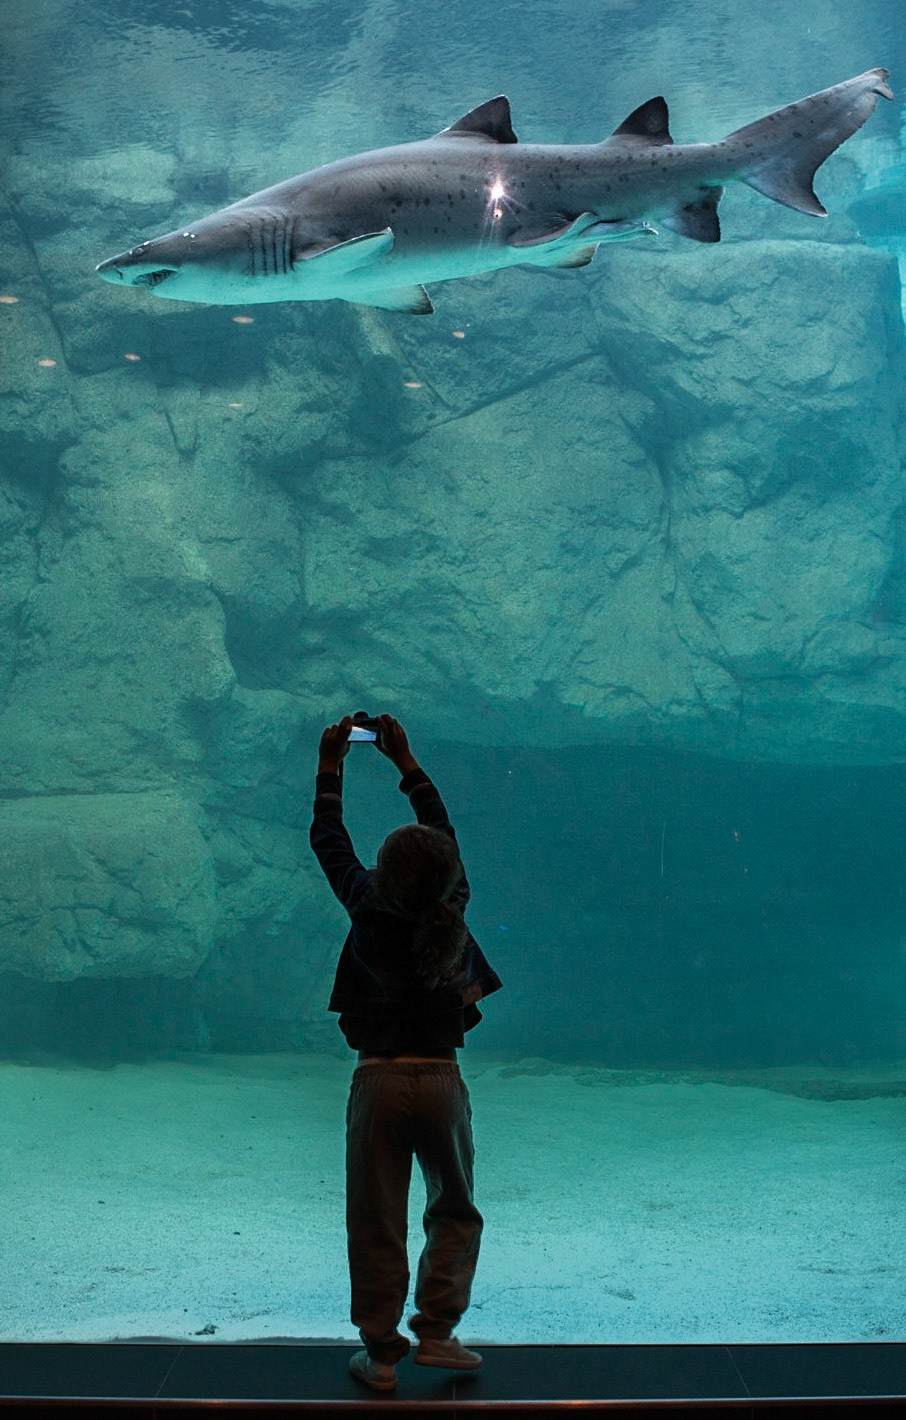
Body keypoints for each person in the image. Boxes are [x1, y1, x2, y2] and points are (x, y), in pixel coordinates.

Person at [310, 712, 503, 1392]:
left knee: (376, 1215)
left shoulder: (366, 903)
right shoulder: (453, 901)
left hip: (379, 1082)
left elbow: (328, 840)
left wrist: (332, 766)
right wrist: (407, 762)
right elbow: (442, 835)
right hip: (443, 1081)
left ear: (383, 872)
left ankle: (383, 1354)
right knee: (454, 1205)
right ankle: (440, 1333)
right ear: (448, 875)